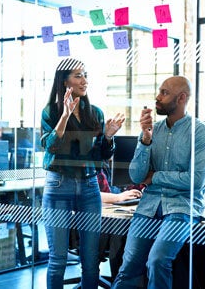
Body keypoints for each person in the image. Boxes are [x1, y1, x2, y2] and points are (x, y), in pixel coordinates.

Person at [111, 76, 205, 289]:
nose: (158, 97)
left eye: (165, 93)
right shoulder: (153, 130)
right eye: (159, 91)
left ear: (182, 98)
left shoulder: (200, 132)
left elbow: (194, 180)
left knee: (157, 261)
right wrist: (145, 140)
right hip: (149, 205)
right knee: (128, 265)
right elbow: (137, 176)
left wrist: (155, 177)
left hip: (182, 206)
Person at [40, 58, 125, 289]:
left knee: (91, 261)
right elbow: (51, 147)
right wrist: (65, 116)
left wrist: (108, 136)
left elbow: (101, 156)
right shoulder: (51, 112)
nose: (84, 80)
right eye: (78, 75)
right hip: (59, 185)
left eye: (85, 74)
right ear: (64, 80)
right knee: (58, 259)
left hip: (89, 187)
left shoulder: (94, 113)